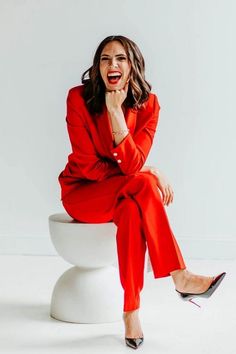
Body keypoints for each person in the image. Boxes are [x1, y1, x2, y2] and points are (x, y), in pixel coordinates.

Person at [58, 35, 226, 349]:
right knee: (146, 183)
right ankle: (180, 275)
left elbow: (133, 163)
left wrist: (116, 113)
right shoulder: (78, 98)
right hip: (83, 194)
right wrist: (148, 170)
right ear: (97, 67)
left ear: (133, 66)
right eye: (105, 58)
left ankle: (131, 311)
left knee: (134, 210)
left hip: (125, 194)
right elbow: (90, 168)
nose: (112, 65)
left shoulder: (149, 105)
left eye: (120, 58)